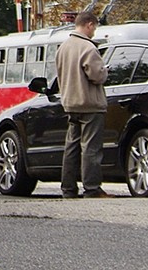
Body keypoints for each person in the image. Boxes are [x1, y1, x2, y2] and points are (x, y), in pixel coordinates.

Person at [55, 11, 110, 198]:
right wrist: (105, 71)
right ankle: (92, 188)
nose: (94, 31)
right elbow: (97, 75)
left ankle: (68, 189)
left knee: (71, 148)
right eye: (94, 27)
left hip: (70, 103)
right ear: (89, 24)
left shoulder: (63, 47)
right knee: (91, 148)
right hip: (89, 103)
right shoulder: (88, 48)